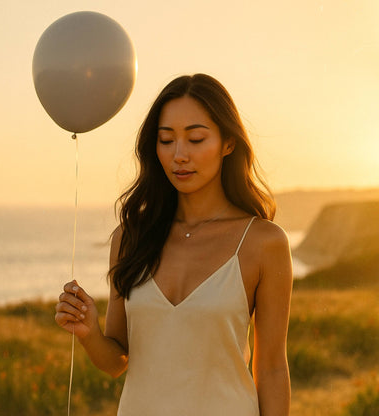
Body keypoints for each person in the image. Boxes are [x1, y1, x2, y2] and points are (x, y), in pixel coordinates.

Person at [55, 73, 293, 415]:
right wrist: (88, 331)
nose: (179, 155)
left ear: (228, 143)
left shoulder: (262, 242)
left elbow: (271, 369)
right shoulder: (130, 237)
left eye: (196, 139)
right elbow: (117, 360)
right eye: (166, 140)